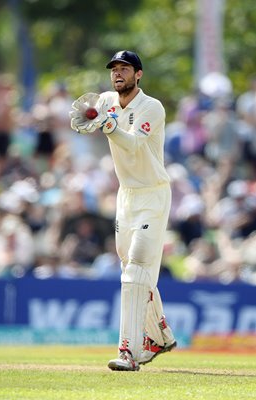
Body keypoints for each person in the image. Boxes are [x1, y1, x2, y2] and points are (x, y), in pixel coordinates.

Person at [70, 50, 176, 371]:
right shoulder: (106, 100)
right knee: (133, 270)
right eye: (114, 69)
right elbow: (83, 115)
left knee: (134, 275)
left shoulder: (151, 107)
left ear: (138, 75)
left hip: (153, 194)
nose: (118, 74)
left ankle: (128, 353)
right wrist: (93, 117)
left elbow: (131, 144)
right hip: (126, 196)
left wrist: (108, 126)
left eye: (125, 69)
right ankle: (159, 335)